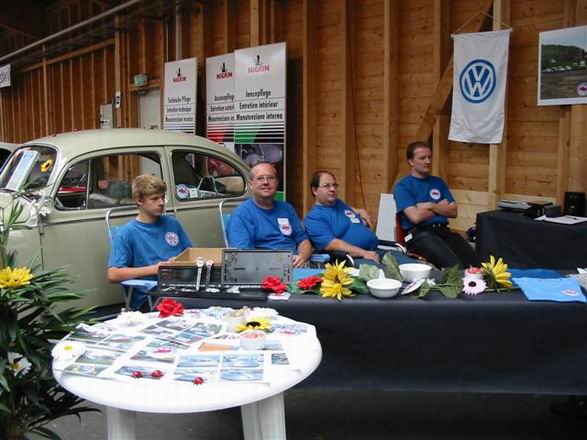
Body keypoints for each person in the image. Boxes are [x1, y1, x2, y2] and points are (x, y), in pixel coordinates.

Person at [108, 174, 192, 309]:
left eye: (163, 197)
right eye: (154, 199)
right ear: (139, 200)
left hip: (181, 287)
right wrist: (154, 269)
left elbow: (191, 254)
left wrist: (179, 261)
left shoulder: (172, 223)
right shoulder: (126, 233)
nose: (161, 203)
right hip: (150, 295)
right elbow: (113, 274)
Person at [393, 141, 481, 269]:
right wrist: (440, 207)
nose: (428, 161)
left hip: (443, 231)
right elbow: (415, 217)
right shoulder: (403, 186)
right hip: (418, 235)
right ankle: (459, 281)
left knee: (477, 264)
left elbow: (453, 212)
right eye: (422, 158)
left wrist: (430, 205)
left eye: (429, 157)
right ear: (411, 161)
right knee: (455, 266)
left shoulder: (438, 182)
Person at [228, 162, 312, 268]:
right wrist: (278, 264)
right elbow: (243, 255)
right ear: (250, 184)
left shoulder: (287, 209)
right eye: (260, 178)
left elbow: (304, 241)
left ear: (276, 183)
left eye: (270, 178)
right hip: (264, 270)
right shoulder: (241, 214)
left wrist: (302, 257)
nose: (265, 182)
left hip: (295, 266)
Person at [304, 170, 381, 263]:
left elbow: (348, 211)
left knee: (398, 260)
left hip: (375, 251)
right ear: (315, 190)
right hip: (355, 258)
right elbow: (331, 244)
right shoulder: (313, 218)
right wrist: (364, 253)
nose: (332, 189)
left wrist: (360, 211)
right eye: (327, 186)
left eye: (334, 185)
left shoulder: (338, 203)